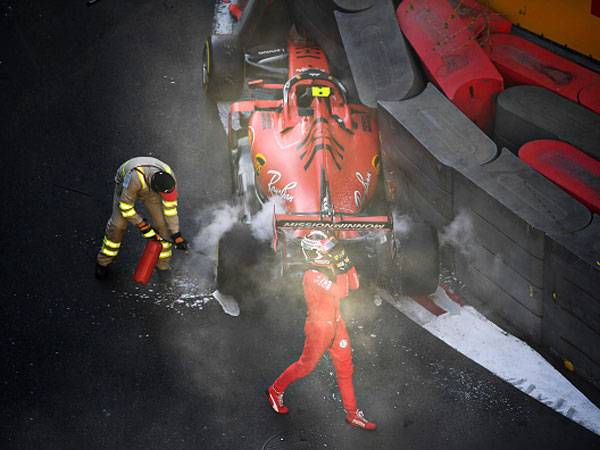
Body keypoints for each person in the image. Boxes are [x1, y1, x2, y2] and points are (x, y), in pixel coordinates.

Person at [266, 231, 377, 430]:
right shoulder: (311, 276)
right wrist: (342, 268)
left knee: (346, 370)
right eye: (328, 250)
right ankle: (275, 390)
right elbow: (342, 292)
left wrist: (347, 263)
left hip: (336, 325)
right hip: (319, 329)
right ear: (315, 253)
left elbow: (355, 285)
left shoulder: (331, 268)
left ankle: (352, 414)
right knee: (305, 366)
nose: (332, 254)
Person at [95, 156, 188, 280]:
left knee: (163, 227)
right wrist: (144, 227)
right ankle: (103, 262)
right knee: (118, 226)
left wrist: (177, 235)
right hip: (126, 186)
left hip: (151, 189)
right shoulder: (135, 177)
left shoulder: (169, 182)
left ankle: (163, 266)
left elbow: (170, 210)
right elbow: (125, 207)